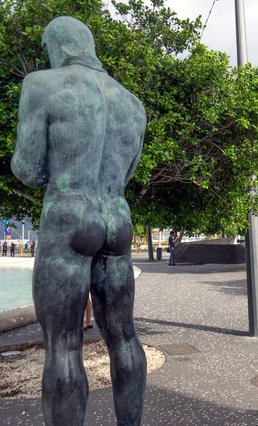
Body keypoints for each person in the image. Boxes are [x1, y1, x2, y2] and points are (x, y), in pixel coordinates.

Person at [11, 17, 147, 425]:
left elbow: (29, 170)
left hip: (70, 215)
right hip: (116, 217)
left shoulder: (41, 84)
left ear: (58, 46)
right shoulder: (132, 103)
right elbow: (125, 175)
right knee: (123, 335)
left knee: (64, 345)